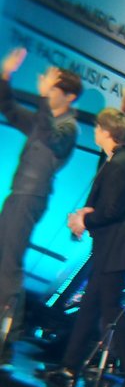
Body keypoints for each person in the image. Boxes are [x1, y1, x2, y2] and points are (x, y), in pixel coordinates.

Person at [46, 108, 125, 387]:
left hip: (118, 247)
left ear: (106, 131)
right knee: (92, 306)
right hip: (111, 246)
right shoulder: (119, 161)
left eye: (97, 127)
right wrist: (87, 216)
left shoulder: (120, 164)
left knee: (109, 308)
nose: (95, 131)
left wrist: (85, 220)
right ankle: (69, 368)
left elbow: (113, 209)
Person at [0, 47, 82, 328]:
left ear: (69, 96)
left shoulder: (68, 127)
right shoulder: (44, 119)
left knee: (10, 263)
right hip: (19, 191)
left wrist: (44, 101)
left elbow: (50, 138)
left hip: (32, 195)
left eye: (52, 88)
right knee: (4, 257)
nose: (46, 91)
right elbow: (10, 110)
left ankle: (9, 333)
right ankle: (9, 329)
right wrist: (5, 75)